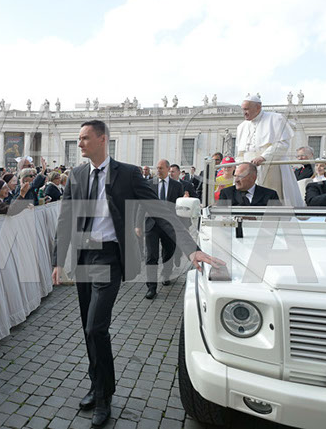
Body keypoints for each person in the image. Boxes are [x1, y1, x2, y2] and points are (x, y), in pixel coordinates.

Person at [51, 120, 224, 427]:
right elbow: (65, 218)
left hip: (111, 258)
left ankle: (104, 396)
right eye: (78, 138)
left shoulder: (128, 174)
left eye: (85, 138)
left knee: (96, 328)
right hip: (84, 257)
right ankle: (96, 383)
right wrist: (57, 260)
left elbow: (160, 210)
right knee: (88, 329)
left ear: (103, 139)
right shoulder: (76, 175)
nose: (79, 144)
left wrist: (191, 249)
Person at [138, 159, 198, 300]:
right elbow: (142, 204)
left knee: (168, 251)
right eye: (157, 168)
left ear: (167, 168)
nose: (158, 170)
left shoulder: (177, 186)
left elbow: (180, 206)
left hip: (170, 225)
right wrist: (137, 224)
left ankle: (166, 274)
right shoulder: (149, 184)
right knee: (151, 256)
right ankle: (151, 287)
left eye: (161, 168)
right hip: (152, 225)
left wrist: (183, 225)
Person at [236, 95, 303, 206]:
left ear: (258, 107)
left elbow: (282, 144)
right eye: (243, 109)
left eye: (247, 109)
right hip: (248, 170)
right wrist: (241, 167)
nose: (244, 113)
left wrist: (264, 157)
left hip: (272, 166)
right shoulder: (241, 126)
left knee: (274, 198)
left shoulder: (276, 119)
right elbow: (240, 153)